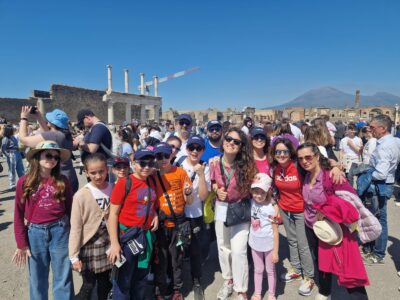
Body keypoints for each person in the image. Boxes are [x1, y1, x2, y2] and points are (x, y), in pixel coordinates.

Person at [298, 143, 369, 300]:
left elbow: (352, 205)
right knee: (320, 261)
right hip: (312, 227)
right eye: (301, 158)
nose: (304, 161)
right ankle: (324, 290)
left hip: (334, 229)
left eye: (308, 157)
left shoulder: (332, 176)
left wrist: (325, 210)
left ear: (317, 156)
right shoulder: (306, 175)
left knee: (347, 267)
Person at [12, 140, 73, 300]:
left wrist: (74, 236)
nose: (52, 159)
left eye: (56, 157)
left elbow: (70, 209)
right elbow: (18, 214)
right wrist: (21, 243)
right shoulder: (24, 182)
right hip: (35, 233)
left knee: (63, 276)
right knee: (37, 278)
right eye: (48, 155)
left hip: (60, 230)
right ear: (38, 157)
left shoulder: (63, 180)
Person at [210, 128, 257, 300]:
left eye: (236, 142)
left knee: (238, 250)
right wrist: (217, 190)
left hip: (240, 209)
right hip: (222, 208)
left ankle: (241, 289)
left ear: (241, 146)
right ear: (223, 141)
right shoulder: (214, 162)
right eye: (229, 139)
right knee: (223, 248)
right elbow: (213, 182)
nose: (231, 143)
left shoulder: (247, 165)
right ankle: (228, 280)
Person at [108, 149, 159, 299]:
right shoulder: (125, 183)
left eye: (150, 164)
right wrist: (115, 244)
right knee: (123, 278)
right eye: (142, 163)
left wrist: (154, 214)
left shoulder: (151, 180)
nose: (146, 167)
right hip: (128, 236)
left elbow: (150, 201)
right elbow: (113, 215)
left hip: (145, 236)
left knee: (141, 277)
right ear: (134, 164)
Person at [269, 138, 316, 296]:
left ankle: (309, 277)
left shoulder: (298, 166)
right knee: (291, 240)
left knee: (303, 245)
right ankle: (296, 269)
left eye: (285, 151)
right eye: (278, 152)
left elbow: (321, 165)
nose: (281, 155)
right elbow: (275, 188)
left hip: (301, 210)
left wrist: (335, 166)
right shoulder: (274, 168)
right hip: (284, 209)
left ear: (291, 153)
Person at [69, 153, 113, 299]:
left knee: (105, 282)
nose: (98, 176)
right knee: (88, 285)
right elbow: (75, 228)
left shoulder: (114, 189)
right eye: (93, 173)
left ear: (107, 169)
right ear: (86, 172)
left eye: (101, 171)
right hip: (88, 246)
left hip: (109, 244)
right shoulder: (81, 196)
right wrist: (74, 256)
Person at [153, 142, 193, 300]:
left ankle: (177, 289)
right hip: (162, 225)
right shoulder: (153, 176)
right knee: (161, 259)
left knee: (177, 259)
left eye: (165, 156)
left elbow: (189, 201)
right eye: (159, 156)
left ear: (171, 155)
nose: (163, 159)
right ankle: (161, 290)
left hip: (179, 224)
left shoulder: (181, 173)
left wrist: (188, 193)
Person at [364, 115, 400, 264]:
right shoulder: (395, 141)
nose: (370, 130)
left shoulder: (385, 146)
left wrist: (366, 173)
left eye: (372, 127)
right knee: (379, 218)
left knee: (379, 220)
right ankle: (376, 250)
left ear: (383, 128)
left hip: (381, 184)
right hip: (387, 183)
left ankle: (378, 253)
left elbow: (381, 173)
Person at [19, 107, 78, 193]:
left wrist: (24, 118)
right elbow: (47, 132)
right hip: (70, 176)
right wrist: (38, 116)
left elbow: (23, 139)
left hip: (59, 180)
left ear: (52, 123)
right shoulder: (64, 134)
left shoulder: (54, 136)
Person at [180, 136, 211, 300]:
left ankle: (197, 282)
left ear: (202, 151)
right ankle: (177, 283)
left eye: (198, 148)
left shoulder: (204, 167)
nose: (194, 151)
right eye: (191, 147)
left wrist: (200, 175)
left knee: (195, 251)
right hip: (179, 213)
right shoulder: (179, 165)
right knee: (178, 250)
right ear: (186, 149)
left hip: (195, 213)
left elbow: (204, 196)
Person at [249, 173, 279, 300]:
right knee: (258, 269)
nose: (258, 195)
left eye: (262, 192)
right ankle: (257, 293)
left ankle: (272, 294)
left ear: (268, 191)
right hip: (255, 244)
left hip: (269, 245)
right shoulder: (251, 202)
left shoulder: (272, 208)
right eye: (255, 191)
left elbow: (276, 231)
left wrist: (276, 252)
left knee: (270, 270)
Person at [1, 124, 24, 189]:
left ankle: (23, 182)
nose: (14, 130)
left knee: (21, 168)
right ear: (9, 130)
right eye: (12, 129)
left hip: (18, 153)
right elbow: (3, 149)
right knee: (12, 170)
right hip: (12, 154)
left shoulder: (13, 137)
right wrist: (8, 156)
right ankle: (12, 184)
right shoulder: (5, 138)